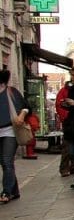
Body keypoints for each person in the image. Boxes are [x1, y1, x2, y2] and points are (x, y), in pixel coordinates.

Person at [0, 69, 29, 203]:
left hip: (10, 131)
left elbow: (26, 106)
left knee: (6, 161)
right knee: (5, 163)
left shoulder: (11, 92)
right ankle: (14, 190)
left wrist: (21, 115)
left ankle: (6, 192)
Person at [55, 80, 74, 177]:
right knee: (67, 145)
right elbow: (59, 106)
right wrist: (65, 117)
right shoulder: (63, 92)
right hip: (68, 122)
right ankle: (64, 168)